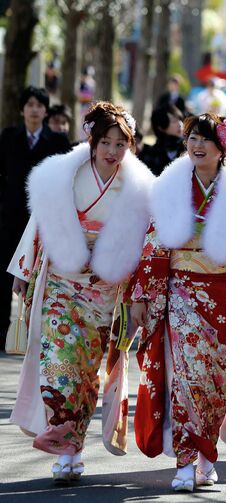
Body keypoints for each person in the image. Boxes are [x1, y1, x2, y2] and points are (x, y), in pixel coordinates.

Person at [129, 113, 226, 492]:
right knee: (187, 377)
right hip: (183, 292)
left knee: (216, 383)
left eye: (205, 140)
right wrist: (143, 294)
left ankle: (206, 454)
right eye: (192, 138)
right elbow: (153, 244)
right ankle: (185, 461)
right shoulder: (170, 186)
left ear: (223, 147)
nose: (197, 146)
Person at [8, 101, 153, 481]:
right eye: (106, 142)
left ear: (130, 146)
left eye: (120, 144)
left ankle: (74, 446)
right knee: (59, 365)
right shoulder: (64, 174)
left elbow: (145, 242)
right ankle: (62, 442)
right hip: (62, 280)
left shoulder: (138, 186)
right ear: (91, 140)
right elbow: (41, 220)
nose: (112, 151)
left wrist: (140, 291)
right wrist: (23, 270)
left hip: (103, 289)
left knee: (88, 373)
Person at [0, 86, 71, 350]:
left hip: (43, 220)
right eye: (29, 104)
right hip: (9, 218)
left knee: (40, 278)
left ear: (45, 109)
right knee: (5, 276)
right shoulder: (8, 137)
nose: (34, 109)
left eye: (39, 105)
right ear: (22, 109)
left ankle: (38, 335)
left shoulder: (58, 141)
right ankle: (4, 333)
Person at [139, 105, 185, 176]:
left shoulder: (188, 150)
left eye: (180, 119)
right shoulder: (150, 154)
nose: (180, 124)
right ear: (161, 127)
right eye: (174, 121)